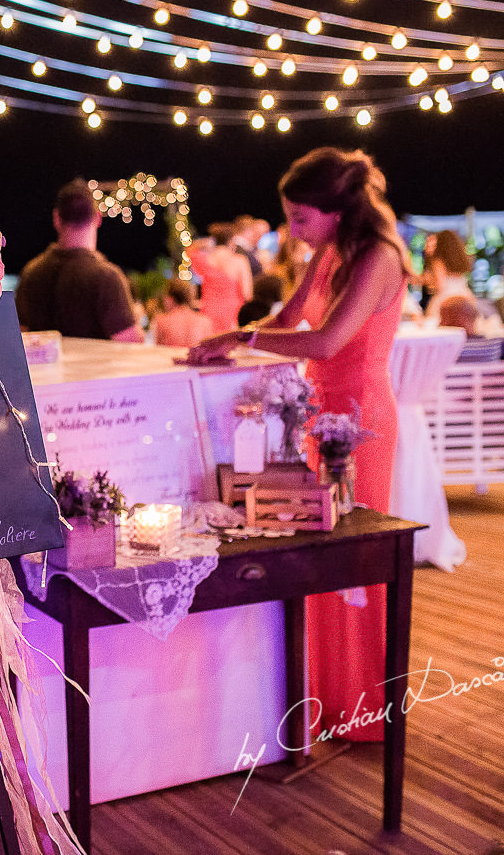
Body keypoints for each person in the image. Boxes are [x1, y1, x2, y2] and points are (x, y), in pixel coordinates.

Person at [188, 147, 409, 743]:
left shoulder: (379, 257)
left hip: (359, 424)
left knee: (356, 560)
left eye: (301, 218)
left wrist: (240, 333)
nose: (293, 230)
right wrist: (231, 342)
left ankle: (366, 708)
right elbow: (289, 316)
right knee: (316, 553)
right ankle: (327, 700)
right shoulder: (330, 252)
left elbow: (329, 340)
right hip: (315, 418)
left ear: (336, 212)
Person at [16, 180, 145, 341]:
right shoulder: (106, 278)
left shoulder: (31, 273)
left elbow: (21, 336)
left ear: (56, 218)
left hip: (43, 367)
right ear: (98, 217)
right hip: (96, 366)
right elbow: (130, 341)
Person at [437, 295, 504, 383]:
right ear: (475, 317)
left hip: (450, 404)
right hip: (496, 404)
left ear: (442, 322)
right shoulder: (499, 345)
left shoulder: (439, 352)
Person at [423, 230, 504, 335]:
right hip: (464, 296)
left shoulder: (438, 261)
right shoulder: (458, 260)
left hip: (446, 299)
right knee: (470, 326)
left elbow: (440, 285)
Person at [192, 222, 252, 332]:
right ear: (230, 241)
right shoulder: (239, 261)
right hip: (233, 312)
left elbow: (189, 249)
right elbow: (247, 293)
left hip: (209, 311)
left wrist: (204, 242)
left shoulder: (205, 259)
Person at [152, 278, 214, 347]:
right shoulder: (205, 322)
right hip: (193, 357)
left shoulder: (162, 322)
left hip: (173, 357)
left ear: (169, 298)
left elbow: (159, 352)